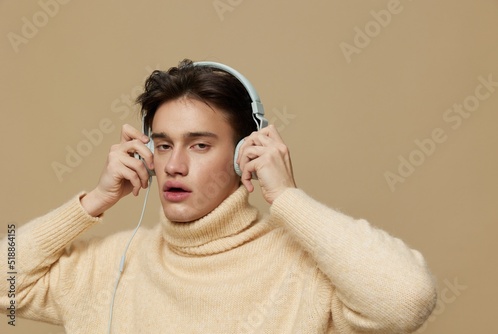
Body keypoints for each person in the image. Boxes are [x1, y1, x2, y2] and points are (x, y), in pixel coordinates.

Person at [0, 59, 436, 333]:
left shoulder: (303, 273)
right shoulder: (109, 266)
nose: (174, 165)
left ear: (247, 151)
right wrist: (93, 202)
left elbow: (405, 300)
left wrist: (285, 196)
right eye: (164, 144)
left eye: (200, 145)